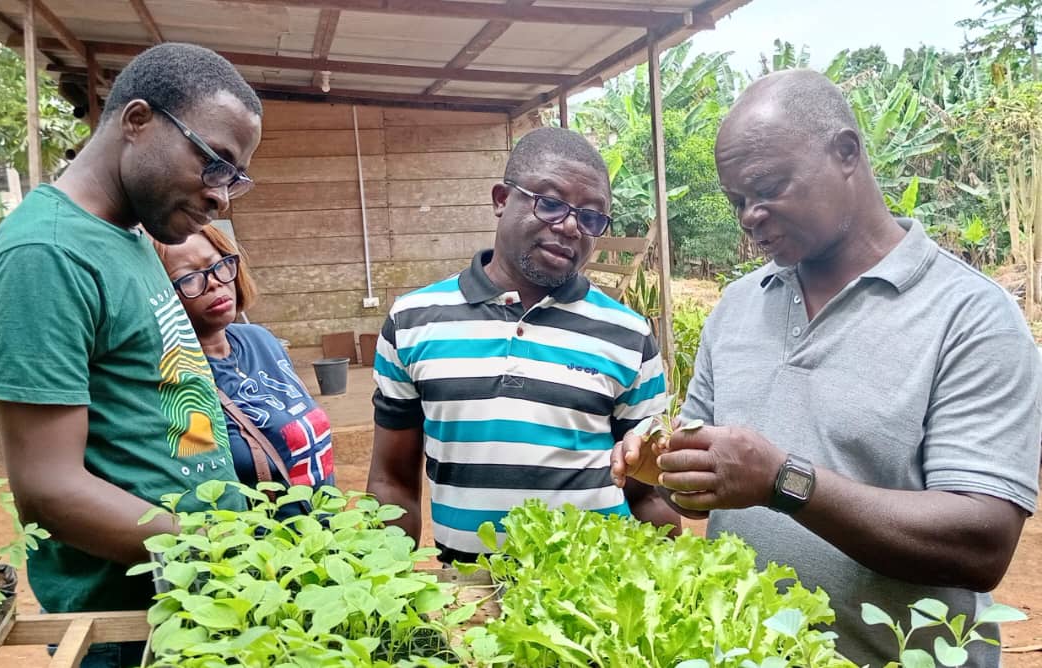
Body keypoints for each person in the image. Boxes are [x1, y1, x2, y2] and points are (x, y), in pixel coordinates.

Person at [612, 69, 1042, 667]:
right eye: (737, 200)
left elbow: (983, 542)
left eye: (767, 188)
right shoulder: (736, 307)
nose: (749, 217)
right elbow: (705, 499)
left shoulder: (971, 316)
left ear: (846, 152)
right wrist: (662, 466)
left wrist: (784, 481)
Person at [0, 43, 262, 667]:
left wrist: (236, 528)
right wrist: (221, 553)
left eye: (234, 178)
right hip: (129, 628)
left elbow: (169, 407)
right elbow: (48, 490)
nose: (222, 198)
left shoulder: (132, 237)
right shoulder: (46, 253)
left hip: (197, 606)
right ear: (137, 121)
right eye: (216, 164)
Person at [367, 127, 681, 564]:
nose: (571, 226)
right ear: (501, 199)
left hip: (595, 597)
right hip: (468, 592)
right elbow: (392, 482)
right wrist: (387, 590)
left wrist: (663, 587)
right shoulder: (413, 320)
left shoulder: (629, 335)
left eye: (591, 217)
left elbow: (648, 494)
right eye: (550, 203)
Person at [155, 227, 336, 497]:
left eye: (219, 265)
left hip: (325, 532)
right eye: (190, 278)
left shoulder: (261, 340)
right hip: (261, 537)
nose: (214, 282)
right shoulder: (173, 376)